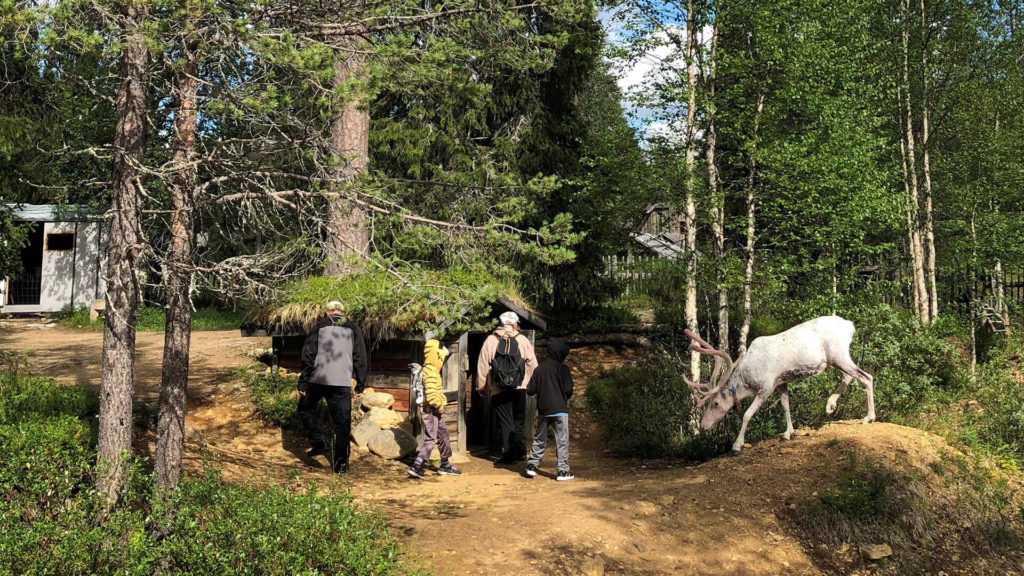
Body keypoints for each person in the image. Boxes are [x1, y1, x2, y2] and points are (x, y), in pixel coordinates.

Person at [298, 300, 367, 474]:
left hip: (317, 380)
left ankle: (319, 441)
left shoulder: (319, 327)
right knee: (342, 424)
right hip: (342, 383)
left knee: (305, 408)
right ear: (342, 312)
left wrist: (303, 382)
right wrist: (360, 384)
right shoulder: (353, 329)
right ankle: (341, 466)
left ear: (327, 313)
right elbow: (360, 357)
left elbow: (308, 355)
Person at [475, 311, 538, 464]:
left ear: (500, 323)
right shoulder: (522, 340)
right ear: (515, 323)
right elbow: (532, 364)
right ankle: (521, 453)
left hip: (498, 387)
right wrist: (532, 383)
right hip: (519, 386)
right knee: (519, 421)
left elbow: (482, 365)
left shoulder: (490, 340)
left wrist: (481, 386)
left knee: (506, 421)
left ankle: (510, 455)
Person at [408, 339, 461, 478]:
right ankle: (417, 465)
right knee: (431, 438)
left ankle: (445, 465)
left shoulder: (431, 369)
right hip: (430, 411)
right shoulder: (430, 371)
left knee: (443, 435)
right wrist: (440, 405)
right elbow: (431, 395)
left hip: (435, 411)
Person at [525, 338, 574, 481]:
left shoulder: (539, 369)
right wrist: (564, 396)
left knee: (540, 438)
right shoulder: (563, 369)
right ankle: (562, 470)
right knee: (562, 440)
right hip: (560, 409)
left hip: (543, 410)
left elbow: (530, 390)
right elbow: (568, 389)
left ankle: (532, 465)